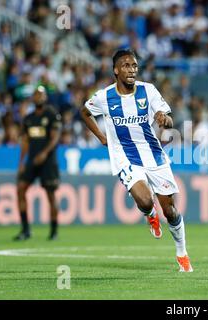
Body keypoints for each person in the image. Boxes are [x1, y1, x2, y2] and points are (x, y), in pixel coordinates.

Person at [80, 49, 193, 272]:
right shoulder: (104, 97)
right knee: (144, 200)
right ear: (115, 70)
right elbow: (84, 112)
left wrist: (164, 119)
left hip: (154, 155)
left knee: (170, 211)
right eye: (126, 65)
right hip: (125, 158)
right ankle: (150, 214)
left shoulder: (147, 90)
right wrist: (102, 137)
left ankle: (182, 252)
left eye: (134, 66)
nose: (132, 70)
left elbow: (167, 118)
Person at [15, 86, 62, 241]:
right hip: (32, 160)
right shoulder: (28, 118)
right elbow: (26, 142)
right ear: (32, 98)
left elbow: (55, 138)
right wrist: (21, 162)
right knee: (21, 189)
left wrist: (44, 153)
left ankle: (54, 231)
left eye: (41, 95)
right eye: (36, 95)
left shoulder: (52, 115)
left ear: (45, 98)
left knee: (50, 195)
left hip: (48, 161)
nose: (38, 97)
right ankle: (25, 230)